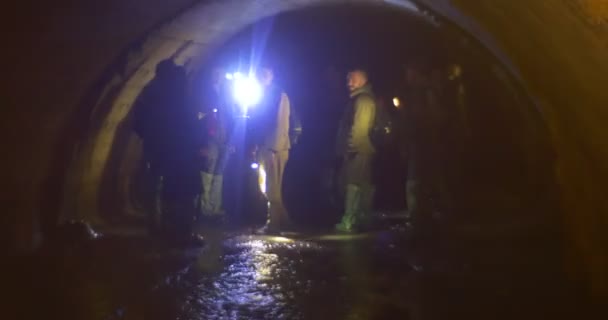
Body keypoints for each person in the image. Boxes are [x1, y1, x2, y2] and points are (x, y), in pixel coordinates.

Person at [251, 66, 294, 234]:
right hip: (273, 145)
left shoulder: (276, 95)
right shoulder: (274, 94)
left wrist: (271, 147)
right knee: (271, 185)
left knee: (271, 187)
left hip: (273, 147)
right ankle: (282, 220)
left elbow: (277, 122)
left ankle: (274, 223)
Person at [335, 69, 377, 233]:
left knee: (353, 184)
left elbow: (358, 128)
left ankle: (350, 220)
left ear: (361, 81)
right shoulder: (360, 99)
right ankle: (361, 218)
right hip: (361, 149)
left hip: (359, 150)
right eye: (348, 79)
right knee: (362, 184)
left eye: (351, 79)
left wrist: (350, 148)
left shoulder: (362, 100)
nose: (348, 83)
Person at [197, 67, 233, 221]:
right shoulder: (204, 93)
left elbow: (232, 118)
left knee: (219, 174)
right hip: (210, 138)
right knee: (207, 172)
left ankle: (214, 207)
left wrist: (232, 140)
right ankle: (204, 208)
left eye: (220, 73)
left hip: (224, 139)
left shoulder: (227, 94)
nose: (219, 76)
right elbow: (199, 117)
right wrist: (201, 142)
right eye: (216, 73)